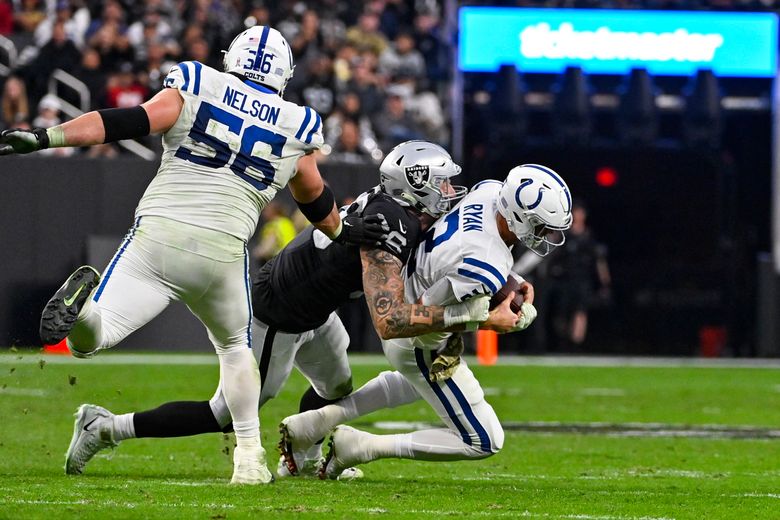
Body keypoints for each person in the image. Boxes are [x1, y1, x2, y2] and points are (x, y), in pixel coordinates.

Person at [0, 25, 386, 485]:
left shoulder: (200, 82)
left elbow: (127, 122)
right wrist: (346, 228)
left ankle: (82, 314)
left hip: (158, 237)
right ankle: (249, 459)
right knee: (235, 349)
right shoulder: (297, 122)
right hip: (222, 251)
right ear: (284, 74)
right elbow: (317, 202)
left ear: (233, 58)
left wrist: (47, 138)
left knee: (89, 342)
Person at [57, 141, 521, 480]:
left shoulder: (401, 209)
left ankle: (301, 459)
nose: (448, 188)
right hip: (278, 314)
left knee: (336, 386)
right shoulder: (391, 222)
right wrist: (474, 314)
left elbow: (454, 234)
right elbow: (390, 319)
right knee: (224, 411)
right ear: (415, 185)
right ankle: (106, 427)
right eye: (439, 180)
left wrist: (506, 278)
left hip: (317, 310)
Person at [278, 164, 573, 479]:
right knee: (484, 439)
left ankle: (317, 422)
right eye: (540, 227)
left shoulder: (489, 191)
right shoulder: (484, 267)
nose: (543, 236)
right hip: (413, 335)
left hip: (412, 283)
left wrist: (510, 281)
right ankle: (361, 446)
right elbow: (427, 309)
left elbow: (460, 248)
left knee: (416, 385)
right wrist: (486, 320)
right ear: (517, 215)